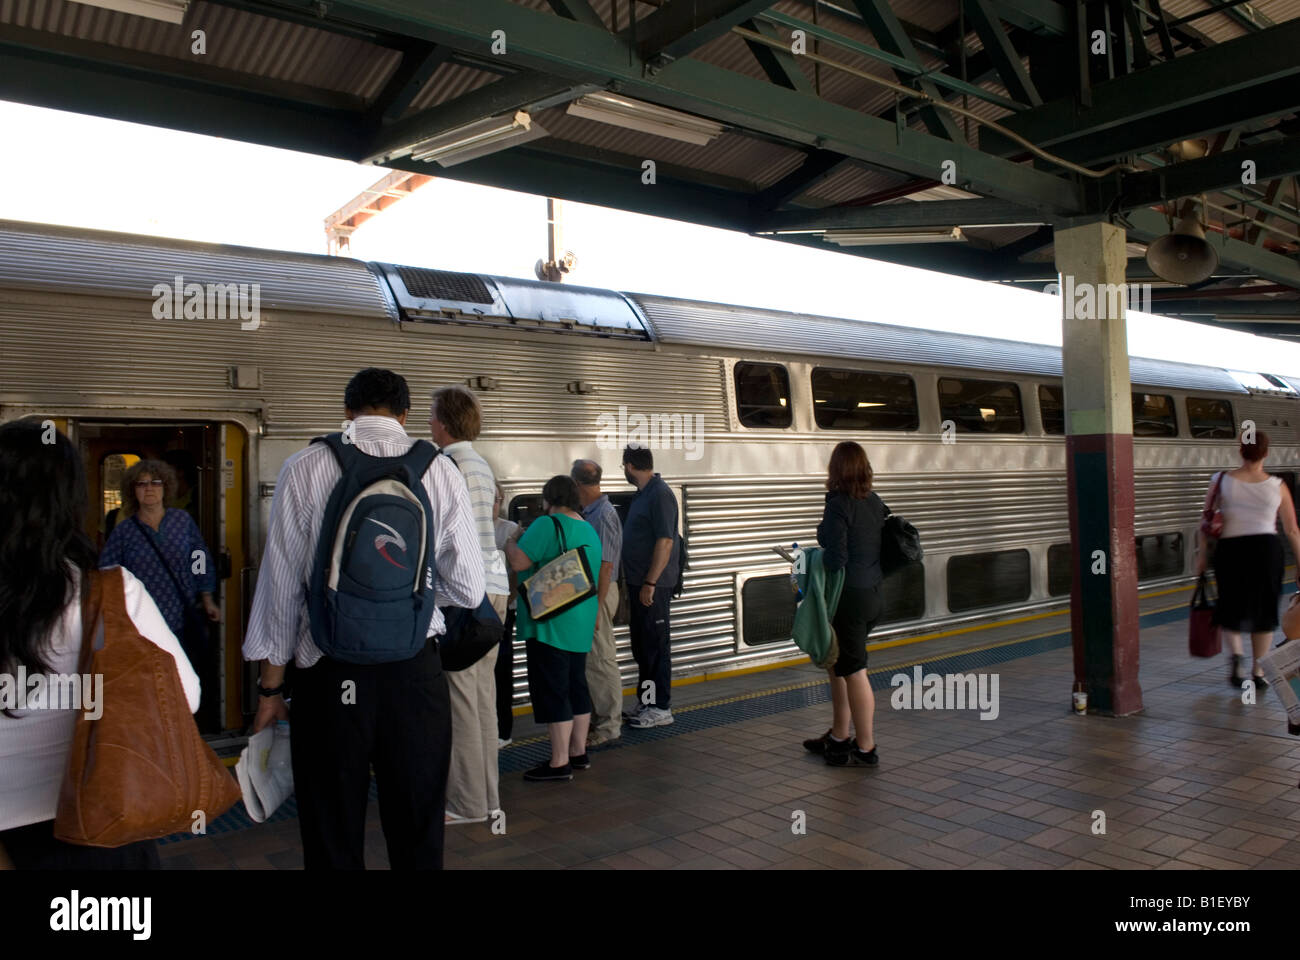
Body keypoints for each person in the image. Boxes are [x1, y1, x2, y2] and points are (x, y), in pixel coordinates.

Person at [243, 368, 484, 870]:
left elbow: (281, 589)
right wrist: (401, 605)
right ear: (405, 415)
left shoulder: (305, 465)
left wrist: (270, 691)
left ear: (348, 411)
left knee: (331, 825)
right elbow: (467, 587)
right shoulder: (439, 469)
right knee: (417, 823)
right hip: (413, 672)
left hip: (329, 673)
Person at [0, 420, 199, 869]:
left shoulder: (179, 525)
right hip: (99, 817)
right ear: (71, 501)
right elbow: (183, 696)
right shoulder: (112, 590)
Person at [430, 384, 509, 826]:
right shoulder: (480, 464)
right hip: (493, 590)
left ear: (445, 421)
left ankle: (465, 804)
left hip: (464, 594)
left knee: (460, 702)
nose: (427, 422)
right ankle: (489, 800)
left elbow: (442, 535)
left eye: (431, 414)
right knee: (481, 698)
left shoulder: (446, 465)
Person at [506, 475, 602, 781]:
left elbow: (520, 563)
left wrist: (511, 541)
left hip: (551, 620)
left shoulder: (547, 525)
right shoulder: (588, 529)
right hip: (580, 619)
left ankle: (559, 762)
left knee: (554, 689)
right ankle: (578, 752)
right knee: (576, 685)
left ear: (548, 499)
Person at [1194, 430, 1300, 688]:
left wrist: (1201, 556)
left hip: (1231, 550)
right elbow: (1292, 530)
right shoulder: (1277, 486)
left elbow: (1205, 520)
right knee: (1263, 609)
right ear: (1266, 453)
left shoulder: (1220, 480)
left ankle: (1237, 657)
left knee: (1231, 604)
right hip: (1265, 550)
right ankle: (1258, 670)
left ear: (1240, 450)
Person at [803, 441, 885, 766]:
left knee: (854, 671)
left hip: (849, 599)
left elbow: (837, 559)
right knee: (839, 664)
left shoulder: (839, 503)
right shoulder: (875, 502)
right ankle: (839, 735)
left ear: (836, 469)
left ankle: (865, 748)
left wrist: (822, 535)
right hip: (874, 594)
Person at [99, 458, 220, 662]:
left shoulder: (182, 521)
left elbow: (199, 558)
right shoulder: (124, 531)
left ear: (166, 487)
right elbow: (107, 572)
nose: (149, 489)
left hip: (180, 616)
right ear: (133, 490)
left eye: (156, 483)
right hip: (140, 621)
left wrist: (207, 598)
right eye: (142, 483)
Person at [619, 445, 680, 728]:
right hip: (638, 583)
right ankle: (646, 701)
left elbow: (665, 541)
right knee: (643, 647)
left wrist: (650, 582)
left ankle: (660, 707)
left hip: (652, 586)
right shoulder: (644, 495)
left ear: (630, 466)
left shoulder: (660, 495)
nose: (624, 472)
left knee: (655, 646)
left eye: (624, 467)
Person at [572, 459, 624, 747]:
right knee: (593, 658)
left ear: (578, 484)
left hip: (600, 591)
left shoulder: (602, 515)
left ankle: (609, 726)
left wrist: (596, 606)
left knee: (601, 658)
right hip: (594, 591)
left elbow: (606, 566)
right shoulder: (591, 513)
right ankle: (598, 721)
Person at [493, 483, 521, 746]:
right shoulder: (470, 526)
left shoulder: (509, 530)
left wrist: (508, 598)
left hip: (504, 611)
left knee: (502, 667)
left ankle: (504, 730)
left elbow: (516, 570)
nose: (493, 504)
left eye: (497, 499)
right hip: (479, 610)